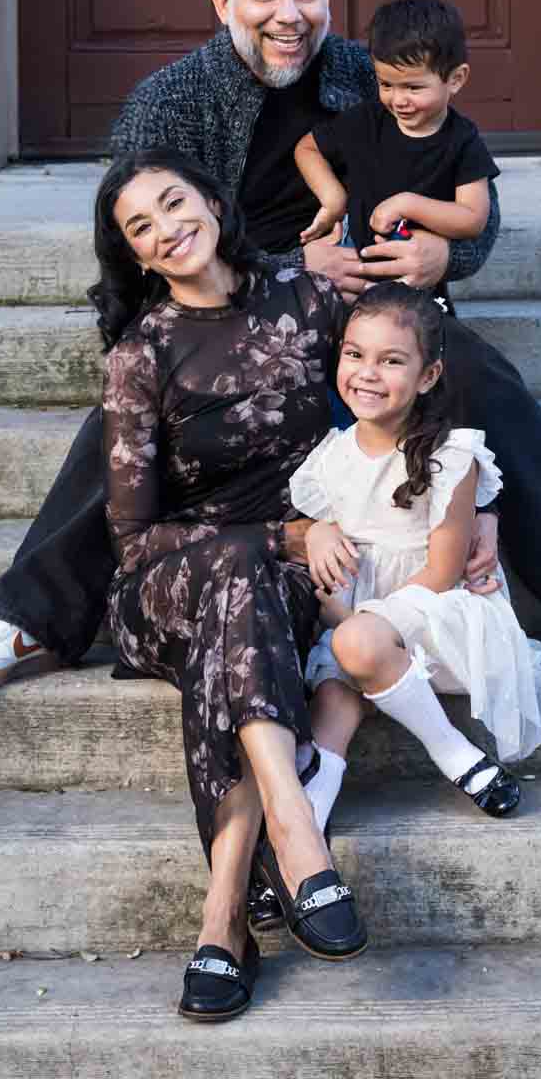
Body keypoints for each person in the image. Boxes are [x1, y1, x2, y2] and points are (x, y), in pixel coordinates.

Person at [0, 0, 541, 691]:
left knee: (474, 373)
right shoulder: (169, 102)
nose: (286, 16)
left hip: (369, 319)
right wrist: (295, 265)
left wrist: (448, 252)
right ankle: (29, 619)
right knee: (122, 423)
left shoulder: (370, 73)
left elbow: (466, 183)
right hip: (234, 327)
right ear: (224, 0)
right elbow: (152, 245)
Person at [96, 149, 367, 1021]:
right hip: (161, 591)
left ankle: (224, 918)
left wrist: (479, 506)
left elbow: (420, 362)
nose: (166, 228)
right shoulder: (143, 353)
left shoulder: (309, 301)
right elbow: (133, 537)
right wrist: (288, 533)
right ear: (135, 256)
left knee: (243, 605)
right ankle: (295, 830)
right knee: (238, 569)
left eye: (173, 204)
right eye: (141, 226)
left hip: (275, 587)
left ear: (212, 202)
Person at [289, 281, 541, 836]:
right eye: (355, 354)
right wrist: (318, 532)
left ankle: (454, 753)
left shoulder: (451, 456)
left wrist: (350, 625)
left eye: (391, 360)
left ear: (428, 375)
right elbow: (313, 544)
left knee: (349, 649)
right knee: (333, 697)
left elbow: (441, 574)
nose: (368, 373)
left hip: (437, 616)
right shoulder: (329, 458)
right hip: (361, 623)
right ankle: (302, 835)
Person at [295, 0, 498, 303]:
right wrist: (333, 197)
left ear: (456, 79)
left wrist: (407, 204)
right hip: (351, 279)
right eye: (386, 84)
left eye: (414, 87)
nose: (398, 100)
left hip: (416, 286)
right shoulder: (365, 122)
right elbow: (307, 149)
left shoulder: (462, 141)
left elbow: (473, 218)